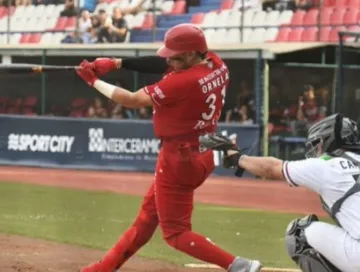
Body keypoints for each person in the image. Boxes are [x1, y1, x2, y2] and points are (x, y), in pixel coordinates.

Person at [75, 23, 262, 272]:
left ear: (190, 54)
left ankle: (239, 266)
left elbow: (131, 99)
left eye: (175, 56)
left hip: (178, 158)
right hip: (203, 151)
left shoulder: (183, 82)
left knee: (176, 234)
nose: (169, 60)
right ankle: (103, 268)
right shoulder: (216, 63)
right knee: (146, 218)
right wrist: (116, 62)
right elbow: (161, 63)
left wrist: (94, 81)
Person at [199, 113, 360, 272]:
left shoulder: (325, 166)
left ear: (330, 141)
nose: (316, 150)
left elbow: (271, 168)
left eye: (318, 144)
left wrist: (238, 158)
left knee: (298, 233)